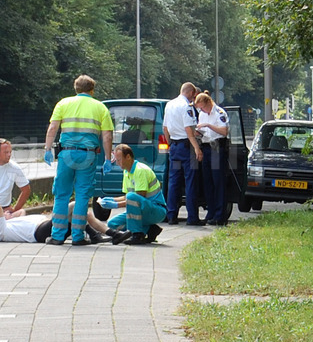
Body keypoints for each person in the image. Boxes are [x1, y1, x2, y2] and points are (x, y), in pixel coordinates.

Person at [43, 75, 114, 245]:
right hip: (88, 155)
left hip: (66, 154)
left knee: (61, 195)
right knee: (82, 196)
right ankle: (77, 236)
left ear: (76, 88)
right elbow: (107, 135)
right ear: (92, 90)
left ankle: (57, 236)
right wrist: (107, 158)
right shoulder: (100, 107)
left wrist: (47, 149)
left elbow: (53, 127)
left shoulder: (63, 103)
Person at [98, 144, 166, 245]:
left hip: (156, 210)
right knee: (112, 224)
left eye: (119, 159)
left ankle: (137, 234)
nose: (117, 163)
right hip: (145, 209)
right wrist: (111, 200)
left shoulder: (140, 170)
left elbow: (138, 197)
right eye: (116, 160)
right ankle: (150, 229)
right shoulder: (127, 172)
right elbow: (127, 197)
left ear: (128, 157)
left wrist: (116, 205)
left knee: (131, 197)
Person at [162, 82, 203, 225]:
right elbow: (189, 130)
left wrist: (170, 144)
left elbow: (165, 128)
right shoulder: (187, 106)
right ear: (191, 93)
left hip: (174, 146)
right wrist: (197, 148)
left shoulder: (169, 104)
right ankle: (192, 218)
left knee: (174, 182)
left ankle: (171, 215)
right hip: (187, 147)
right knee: (190, 182)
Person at [0, 204, 111, 244]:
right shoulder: (0, 231)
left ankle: (109, 233)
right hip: (41, 231)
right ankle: (96, 235)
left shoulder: (13, 222)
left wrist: (10, 216)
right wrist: (1, 216)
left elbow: (21, 211)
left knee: (84, 213)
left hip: (46, 226)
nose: (6, 213)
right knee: (76, 204)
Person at [194, 92, 230, 225]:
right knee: (207, 181)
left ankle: (220, 215)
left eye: (202, 107)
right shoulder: (202, 114)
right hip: (206, 146)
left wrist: (208, 126)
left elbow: (224, 131)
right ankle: (211, 212)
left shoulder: (219, 113)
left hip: (217, 147)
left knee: (218, 182)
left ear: (208, 103)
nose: (201, 110)